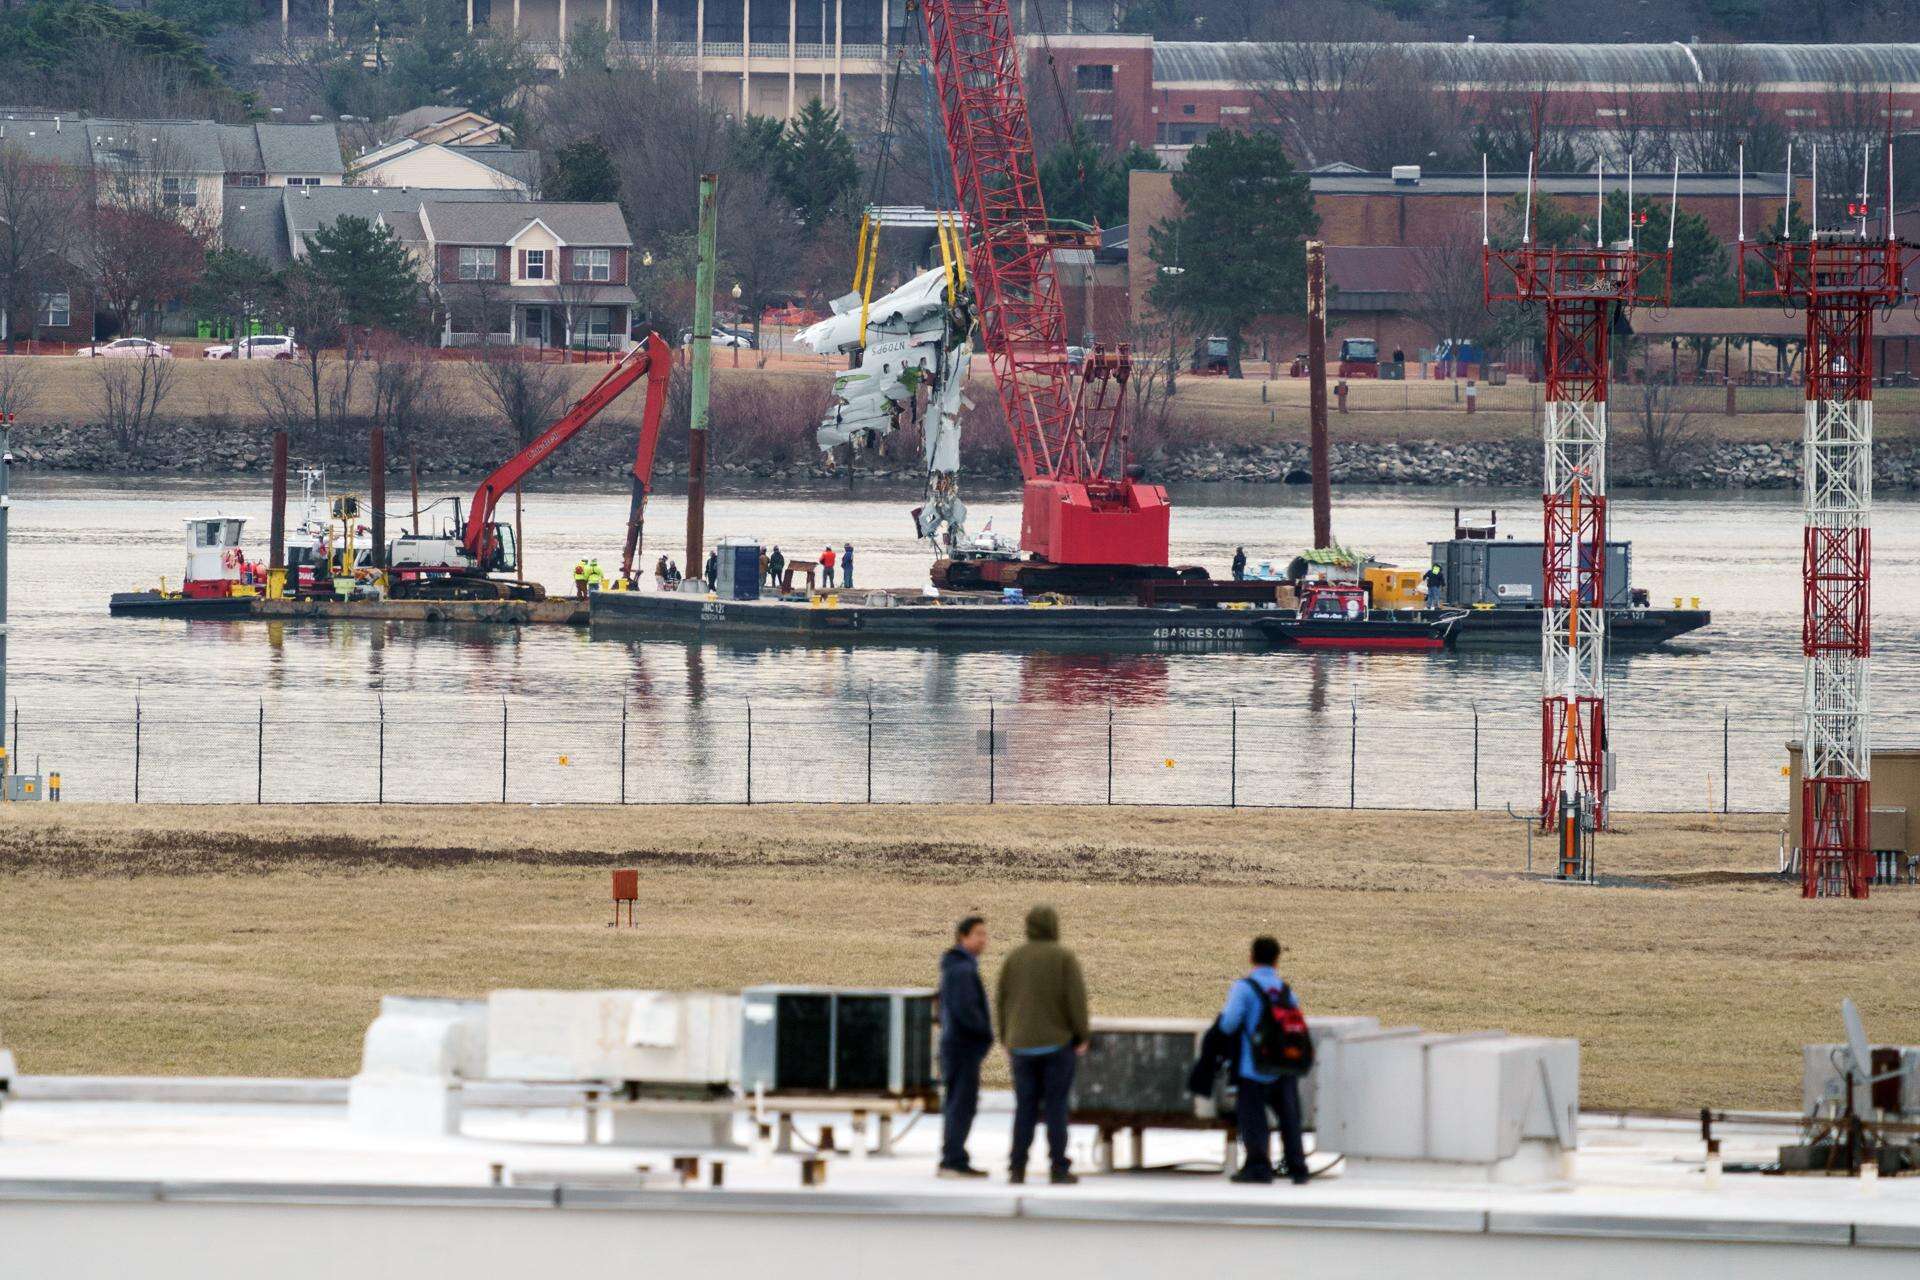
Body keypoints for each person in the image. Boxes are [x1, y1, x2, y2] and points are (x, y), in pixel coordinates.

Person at [996, 904, 1089, 1186]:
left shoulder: (1014, 958)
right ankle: (1058, 1167)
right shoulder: (1064, 957)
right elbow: (1075, 1000)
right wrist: (1081, 1035)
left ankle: (1017, 1167)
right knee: (1055, 1108)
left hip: (1020, 1046)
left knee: (1024, 1108)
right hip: (1056, 1046)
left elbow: (1002, 1001)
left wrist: (1006, 1037)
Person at [1218, 936, 1309, 1186]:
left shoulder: (1245, 988)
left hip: (1253, 1066)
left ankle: (1258, 1166)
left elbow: (1229, 1024)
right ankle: (1297, 1166)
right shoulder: (1285, 990)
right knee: (1290, 1118)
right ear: (1277, 959)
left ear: (1251, 957)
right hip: (1284, 1066)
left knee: (1253, 1119)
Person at [937, 916, 993, 1178]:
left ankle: (953, 1156)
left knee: (957, 1102)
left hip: (956, 1045)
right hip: (963, 1047)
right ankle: (953, 1159)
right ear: (963, 936)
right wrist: (984, 1033)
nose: (984, 940)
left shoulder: (957, 967)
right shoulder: (962, 970)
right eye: (978, 934)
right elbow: (966, 1011)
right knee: (962, 1104)